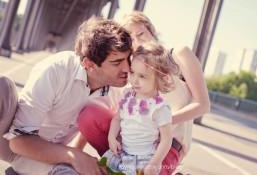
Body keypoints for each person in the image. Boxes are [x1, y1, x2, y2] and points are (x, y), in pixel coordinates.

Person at [78, 11, 210, 175]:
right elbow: (111, 112)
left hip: (167, 144)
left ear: (151, 30)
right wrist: (73, 154)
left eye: (141, 33)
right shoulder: (130, 70)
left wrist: (159, 125)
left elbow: (203, 105)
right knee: (89, 114)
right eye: (131, 38)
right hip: (132, 142)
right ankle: (115, 167)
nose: (138, 40)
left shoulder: (178, 54)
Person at [0, 16, 132, 175]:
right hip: (15, 143)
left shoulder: (118, 89)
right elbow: (18, 142)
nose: (127, 68)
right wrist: (74, 156)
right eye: (117, 63)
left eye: (128, 59)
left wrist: (78, 157)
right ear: (89, 64)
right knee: (2, 85)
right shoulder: (57, 70)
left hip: (54, 154)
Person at [104, 42, 179, 175]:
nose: (134, 80)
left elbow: (166, 139)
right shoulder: (128, 96)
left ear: (159, 79)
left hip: (142, 160)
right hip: (120, 152)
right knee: (101, 170)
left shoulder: (159, 108)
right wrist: (111, 138)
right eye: (132, 72)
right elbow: (117, 119)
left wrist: (155, 163)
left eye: (142, 76)